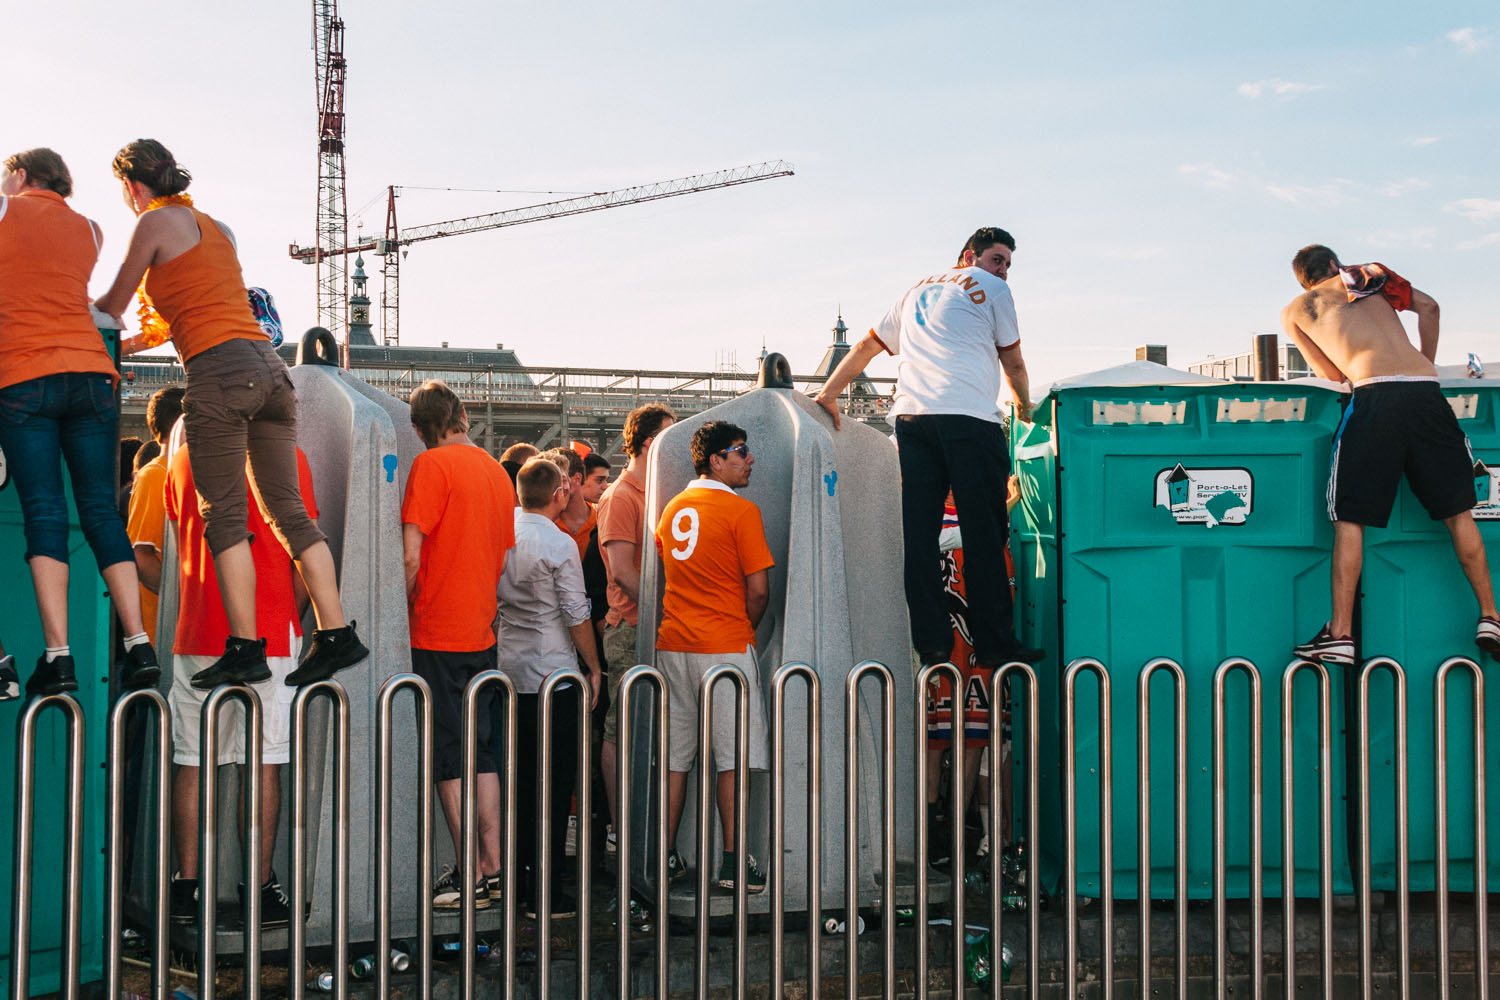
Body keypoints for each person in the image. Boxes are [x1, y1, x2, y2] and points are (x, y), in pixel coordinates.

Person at [95, 139, 366, 689]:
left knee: (223, 516)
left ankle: (244, 647)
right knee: (288, 512)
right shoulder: (218, 229)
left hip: (218, 373)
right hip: (270, 371)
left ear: (131, 185)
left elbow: (111, 307)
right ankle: (336, 632)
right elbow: (186, 315)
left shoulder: (152, 222)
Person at [815, 226, 1042, 670]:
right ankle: (995, 643)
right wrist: (1022, 404)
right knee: (985, 532)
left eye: (1007, 264)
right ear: (969, 257)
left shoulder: (915, 290)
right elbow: (1013, 360)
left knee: (919, 534)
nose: (1003, 271)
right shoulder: (993, 289)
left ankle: (932, 642)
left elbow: (867, 346)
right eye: (997, 259)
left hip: (913, 421)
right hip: (969, 418)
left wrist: (828, 394)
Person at [1280, 244, 1499, 665]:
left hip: (1374, 395)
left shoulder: (1296, 311)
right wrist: (1424, 363)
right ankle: (1491, 616)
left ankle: (1340, 633)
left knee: (1350, 518)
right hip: (1425, 393)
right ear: (1334, 264)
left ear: (1304, 281)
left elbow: (1332, 375)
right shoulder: (1366, 275)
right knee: (1459, 513)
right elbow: (1430, 308)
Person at [0, 146, 158, 698]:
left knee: (44, 512)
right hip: (92, 376)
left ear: (21, 175)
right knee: (99, 510)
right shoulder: (90, 228)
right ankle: (139, 642)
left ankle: (59, 655)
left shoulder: (5, 208)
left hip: (25, 376)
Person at [164, 439, 318, 928]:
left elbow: (181, 537)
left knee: (193, 759)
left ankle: (185, 888)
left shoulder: (186, 455)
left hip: (198, 628)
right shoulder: (286, 454)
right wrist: (290, 615)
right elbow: (305, 548)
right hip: (267, 629)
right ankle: (258, 889)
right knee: (262, 760)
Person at [401, 380, 516, 909]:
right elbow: (501, 555)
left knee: (448, 753)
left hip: (435, 630)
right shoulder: (496, 472)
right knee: (482, 750)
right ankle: (495, 867)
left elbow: (410, 554)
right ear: (463, 415)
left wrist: (397, 610)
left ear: (420, 429)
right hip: (481, 631)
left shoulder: (430, 466)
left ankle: (468, 874)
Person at [654, 421, 774, 891]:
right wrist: (744, 628)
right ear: (716, 461)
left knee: (675, 759)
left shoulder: (671, 509)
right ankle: (733, 862)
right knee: (734, 758)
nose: (749, 459)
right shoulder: (741, 511)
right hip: (724, 647)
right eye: (740, 451)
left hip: (673, 645)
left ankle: (665, 856)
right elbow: (759, 590)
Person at [496, 456, 603, 917]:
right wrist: (593, 667)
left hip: (507, 669)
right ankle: (547, 892)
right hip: (553, 675)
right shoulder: (558, 543)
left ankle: (515, 883)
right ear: (559, 493)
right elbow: (576, 612)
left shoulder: (502, 533)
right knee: (554, 787)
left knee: (515, 783)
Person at [596, 403, 675, 858]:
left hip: (654, 623)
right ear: (649, 444)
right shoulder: (621, 497)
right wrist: (669, 607)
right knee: (621, 728)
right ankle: (618, 825)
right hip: (631, 626)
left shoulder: (654, 491)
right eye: (669, 435)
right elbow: (623, 571)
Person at [126, 385, 186, 646]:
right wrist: (182, 600)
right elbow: (141, 556)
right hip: (162, 635)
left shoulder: (176, 473)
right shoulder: (154, 476)